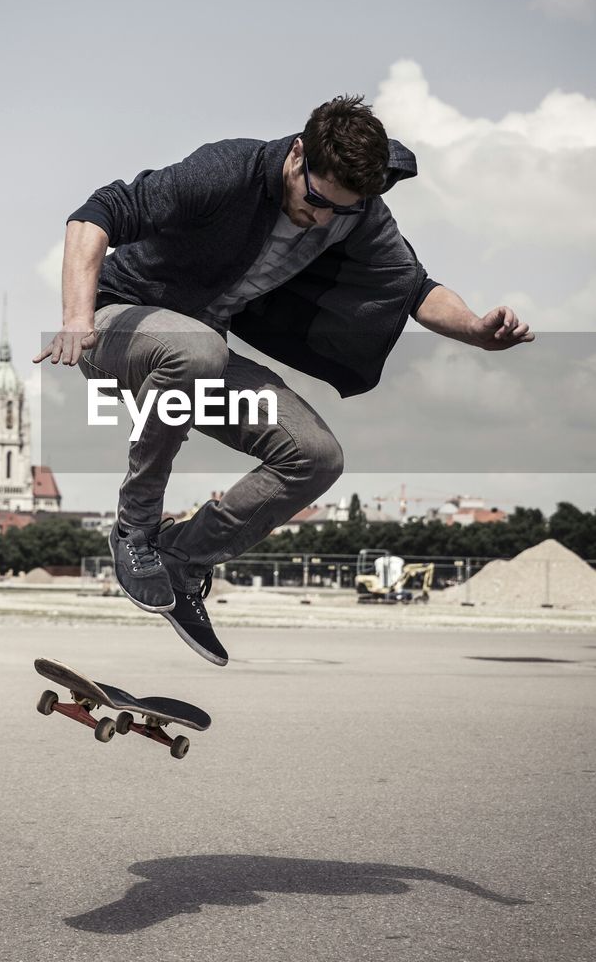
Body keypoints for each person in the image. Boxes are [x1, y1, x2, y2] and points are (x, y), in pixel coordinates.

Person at [34, 96, 533, 666]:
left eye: (338, 212)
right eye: (315, 200)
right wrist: (77, 316)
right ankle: (136, 529)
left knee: (316, 456)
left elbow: (415, 288)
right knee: (198, 349)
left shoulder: (357, 211)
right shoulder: (227, 172)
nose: (321, 218)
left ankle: (181, 558)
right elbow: (96, 212)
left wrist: (476, 329)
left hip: (198, 356)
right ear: (297, 155)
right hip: (116, 325)